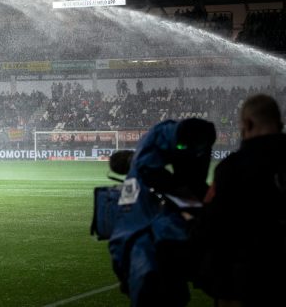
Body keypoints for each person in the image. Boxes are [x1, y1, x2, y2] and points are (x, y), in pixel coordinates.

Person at [108, 118, 216, 307]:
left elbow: (120, 239)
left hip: (147, 274)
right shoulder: (149, 174)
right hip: (155, 273)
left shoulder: (137, 189)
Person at [191, 94, 286, 306]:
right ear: (280, 124)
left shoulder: (232, 168)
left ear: (248, 124)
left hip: (247, 281)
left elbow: (210, 225)